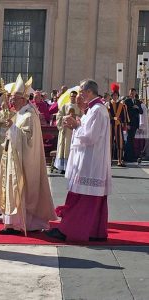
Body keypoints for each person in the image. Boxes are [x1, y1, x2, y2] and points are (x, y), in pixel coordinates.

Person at [45, 79, 111, 242]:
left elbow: (90, 137)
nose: (79, 95)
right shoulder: (93, 109)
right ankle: (94, 232)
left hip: (90, 162)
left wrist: (75, 126)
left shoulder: (97, 110)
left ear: (89, 92)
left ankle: (67, 231)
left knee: (82, 198)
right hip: (90, 160)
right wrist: (79, 122)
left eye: (81, 92)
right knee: (89, 198)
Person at [0, 75, 57, 235]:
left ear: (24, 99)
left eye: (15, 99)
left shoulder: (30, 116)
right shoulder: (20, 114)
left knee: (22, 189)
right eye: (11, 99)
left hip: (25, 161)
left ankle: (23, 223)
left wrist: (13, 129)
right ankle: (11, 223)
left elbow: (29, 141)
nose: (12, 102)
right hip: (14, 158)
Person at [55, 91, 82, 173]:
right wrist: (66, 117)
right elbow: (59, 116)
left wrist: (75, 117)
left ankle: (73, 167)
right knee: (65, 147)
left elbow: (82, 117)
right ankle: (63, 167)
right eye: (72, 96)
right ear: (69, 97)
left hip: (75, 130)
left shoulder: (79, 107)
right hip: (66, 130)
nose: (73, 97)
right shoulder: (64, 106)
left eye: (74, 96)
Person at [107, 83, 128, 167]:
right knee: (110, 142)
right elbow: (107, 115)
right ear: (112, 96)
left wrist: (125, 124)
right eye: (114, 95)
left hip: (119, 125)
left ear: (118, 96)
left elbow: (124, 115)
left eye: (116, 95)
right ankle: (109, 160)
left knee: (120, 142)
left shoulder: (122, 105)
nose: (115, 96)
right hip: (111, 125)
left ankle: (119, 160)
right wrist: (112, 118)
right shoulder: (108, 104)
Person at [124, 88, 143, 162]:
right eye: (131, 93)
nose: (132, 94)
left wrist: (137, 107)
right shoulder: (127, 101)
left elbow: (141, 112)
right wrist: (127, 123)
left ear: (135, 93)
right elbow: (125, 113)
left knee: (132, 139)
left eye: (133, 93)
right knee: (129, 139)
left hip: (135, 123)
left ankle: (131, 156)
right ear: (129, 94)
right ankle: (127, 156)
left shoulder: (138, 101)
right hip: (129, 123)